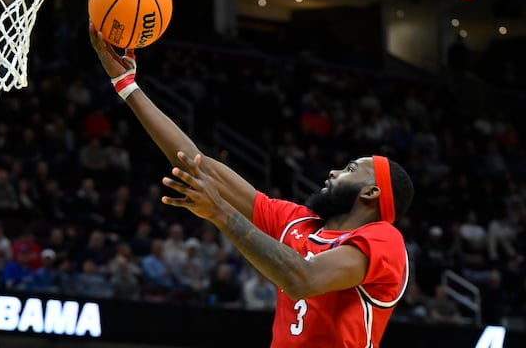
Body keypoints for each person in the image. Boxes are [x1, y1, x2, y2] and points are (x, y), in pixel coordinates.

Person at [90, 24, 415, 347]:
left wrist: (220, 211)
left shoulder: (384, 240)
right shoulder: (297, 222)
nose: (333, 172)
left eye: (350, 169)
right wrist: (127, 85)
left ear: (371, 192)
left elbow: (302, 279)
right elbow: (195, 160)